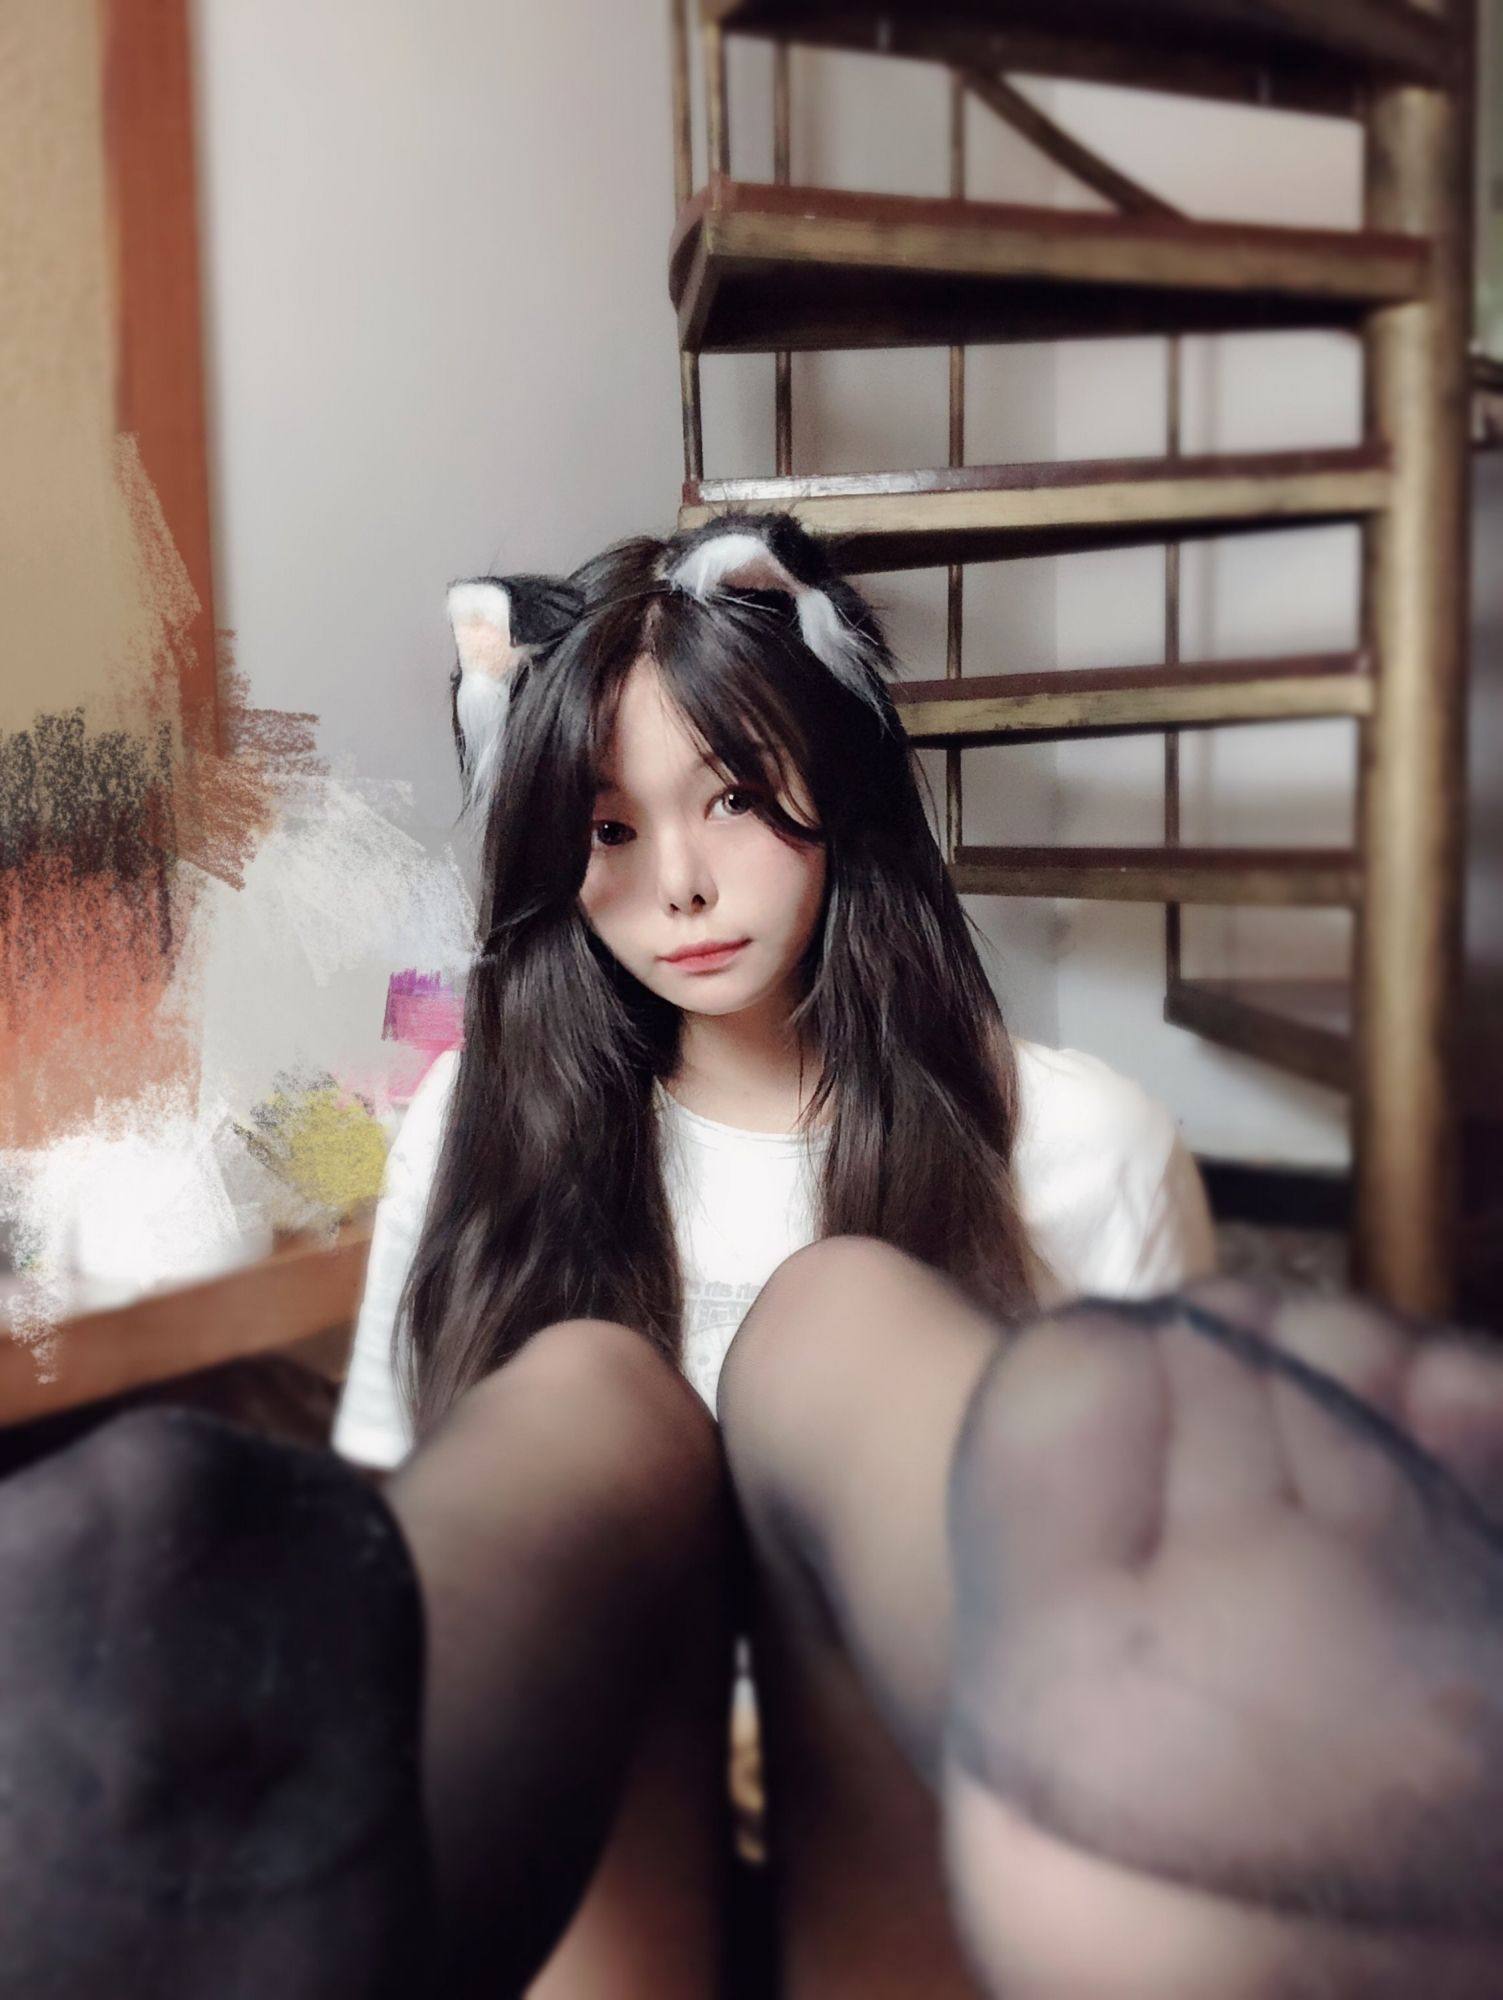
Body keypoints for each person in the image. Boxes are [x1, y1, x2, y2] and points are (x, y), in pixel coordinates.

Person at [330, 511, 1216, 1989]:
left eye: (733, 797)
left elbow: (1163, 1590)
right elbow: (412, 1518)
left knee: (845, 1319)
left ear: (834, 780)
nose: (677, 884)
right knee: (589, 1396)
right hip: (584, 1862)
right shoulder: (476, 1129)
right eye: (610, 829)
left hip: (951, 1855)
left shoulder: (1079, 1143)